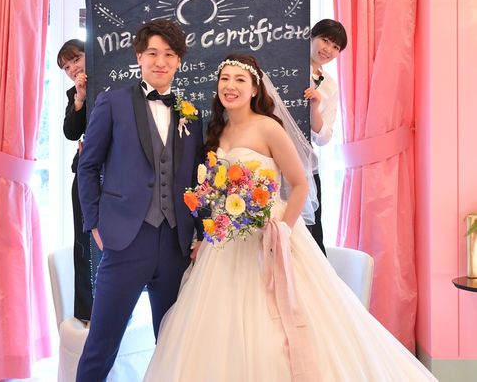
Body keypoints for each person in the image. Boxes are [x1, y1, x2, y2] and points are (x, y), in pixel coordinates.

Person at [144, 53, 437, 381]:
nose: (230, 86)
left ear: (255, 88)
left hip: (271, 232)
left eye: (240, 80)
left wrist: (281, 230)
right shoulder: (218, 130)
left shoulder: (268, 127)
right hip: (228, 239)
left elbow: (300, 185)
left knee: (284, 321)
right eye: (224, 79)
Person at [75, 19, 204, 382]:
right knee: (101, 343)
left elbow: (198, 179)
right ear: (139, 57)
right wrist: (94, 223)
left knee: (172, 344)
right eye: (152, 53)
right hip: (124, 240)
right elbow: (88, 167)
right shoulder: (112, 103)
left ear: (179, 61)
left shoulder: (191, 114)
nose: (160, 62)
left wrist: (201, 233)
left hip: (176, 243)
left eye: (169, 54)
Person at [57, 39, 101, 325]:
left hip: (116, 175)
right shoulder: (74, 94)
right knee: (84, 242)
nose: (72, 68)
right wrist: (80, 99)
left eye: (76, 59)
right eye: (66, 67)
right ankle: (86, 311)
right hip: (85, 176)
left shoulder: (112, 79)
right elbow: (71, 132)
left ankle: (117, 306)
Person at [303, 19, 348, 255]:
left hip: (306, 164)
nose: (328, 49)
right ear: (311, 36)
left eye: (335, 47)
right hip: (273, 159)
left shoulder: (330, 85)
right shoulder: (287, 68)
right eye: (325, 40)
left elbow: (323, 138)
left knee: (311, 236)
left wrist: (315, 109)